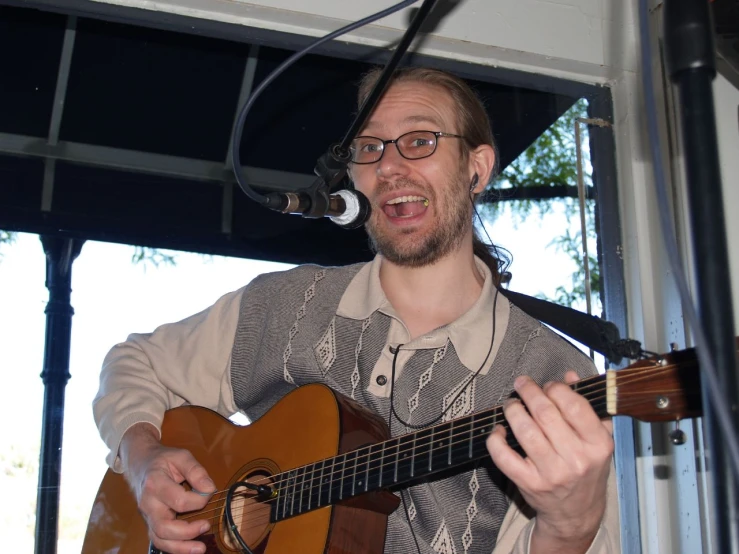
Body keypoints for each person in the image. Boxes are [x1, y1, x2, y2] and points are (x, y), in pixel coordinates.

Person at [93, 66, 620, 554]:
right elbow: (135, 362)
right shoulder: (283, 305)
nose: (390, 166)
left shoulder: (554, 379)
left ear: (476, 169)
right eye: (369, 148)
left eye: (420, 141)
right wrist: (142, 461)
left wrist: (569, 525)